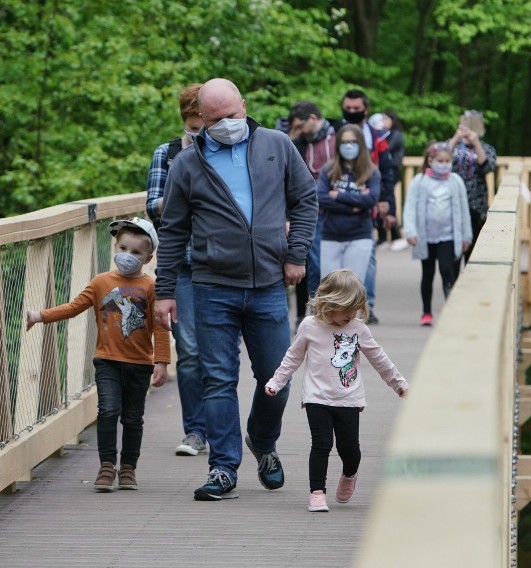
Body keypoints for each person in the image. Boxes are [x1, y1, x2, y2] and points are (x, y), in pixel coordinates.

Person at [155, 78, 318, 501]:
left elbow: (305, 199)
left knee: (276, 379)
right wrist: (165, 290)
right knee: (218, 380)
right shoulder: (187, 165)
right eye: (214, 120)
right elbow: (172, 231)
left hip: (267, 284)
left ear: (244, 106)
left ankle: (263, 441)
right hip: (211, 286)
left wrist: (296, 253)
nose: (226, 125)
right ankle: (223, 467)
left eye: (232, 116)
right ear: (200, 121)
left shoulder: (277, 145)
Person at [25, 218, 171, 491]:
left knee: (132, 418)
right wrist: (39, 316)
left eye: (136, 252)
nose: (127, 256)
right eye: (123, 248)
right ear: (115, 247)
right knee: (108, 411)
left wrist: (161, 361)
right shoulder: (101, 282)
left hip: (140, 364)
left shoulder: (152, 287)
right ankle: (106, 467)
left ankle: (128, 468)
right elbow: (74, 307)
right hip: (107, 361)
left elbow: (161, 327)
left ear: (149, 257)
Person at [264, 269, 408, 512]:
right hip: (316, 397)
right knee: (321, 444)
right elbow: (293, 357)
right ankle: (317, 492)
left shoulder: (358, 329)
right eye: (347, 309)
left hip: (348, 398)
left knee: (349, 449)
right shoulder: (309, 326)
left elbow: (379, 359)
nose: (351, 315)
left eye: (356, 310)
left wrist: (399, 384)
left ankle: (349, 474)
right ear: (329, 303)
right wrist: (277, 381)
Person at [145, 83, 209, 457]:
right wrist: (184, 180)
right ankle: (195, 431)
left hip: (221, 264)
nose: (199, 125)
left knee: (218, 352)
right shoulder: (167, 153)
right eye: (193, 119)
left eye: (205, 119)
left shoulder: (229, 152)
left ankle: (220, 426)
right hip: (182, 264)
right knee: (189, 349)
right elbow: (154, 206)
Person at [335, 89, 397, 324]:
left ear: (366, 109)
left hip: (369, 201)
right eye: (347, 109)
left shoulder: (378, 137)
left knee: (368, 255)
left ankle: (366, 304)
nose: (351, 112)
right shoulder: (336, 133)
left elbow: (388, 171)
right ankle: (339, 304)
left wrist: (387, 203)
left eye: (356, 109)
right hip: (338, 201)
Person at [402, 142, 472, 326]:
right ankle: (426, 312)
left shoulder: (455, 181)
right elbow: (410, 206)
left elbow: (464, 210)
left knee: (446, 269)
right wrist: (410, 230)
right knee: (428, 273)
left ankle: (452, 309)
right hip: (426, 237)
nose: (444, 164)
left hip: (448, 236)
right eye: (440, 160)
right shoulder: (420, 181)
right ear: (430, 160)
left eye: (448, 161)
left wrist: (466, 236)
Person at [286, 100, 336, 329]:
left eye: (300, 127)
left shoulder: (338, 138)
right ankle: (303, 314)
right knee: (306, 262)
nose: (299, 132)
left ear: (313, 119)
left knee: (326, 266)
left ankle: (325, 312)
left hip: (334, 213)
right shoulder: (297, 142)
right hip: (305, 211)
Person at [316, 124, 380, 282]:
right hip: (331, 235)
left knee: (353, 288)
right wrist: (354, 207)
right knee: (330, 288)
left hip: (359, 236)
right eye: (344, 142)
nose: (348, 146)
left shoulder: (371, 172)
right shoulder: (328, 170)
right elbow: (321, 197)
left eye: (353, 142)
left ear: (361, 144)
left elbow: (371, 200)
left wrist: (338, 195)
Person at [449, 110, 497, 262]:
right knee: (453, 250)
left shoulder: (486, 148)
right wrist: (456, 137)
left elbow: (487, 167)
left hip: (476, 203)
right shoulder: (454, 146)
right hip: (452, 202)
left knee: (474, 247)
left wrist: (476, 143)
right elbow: (439, 155)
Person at [368, 110, 407, 252]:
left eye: (385, 118)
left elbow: (384, 149)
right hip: (381, 173)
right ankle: (385, 236)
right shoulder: (383, 135)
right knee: (381, 202)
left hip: (391, 172)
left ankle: (394, 236)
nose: (382, 121)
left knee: (387, 202)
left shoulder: (394, 135)